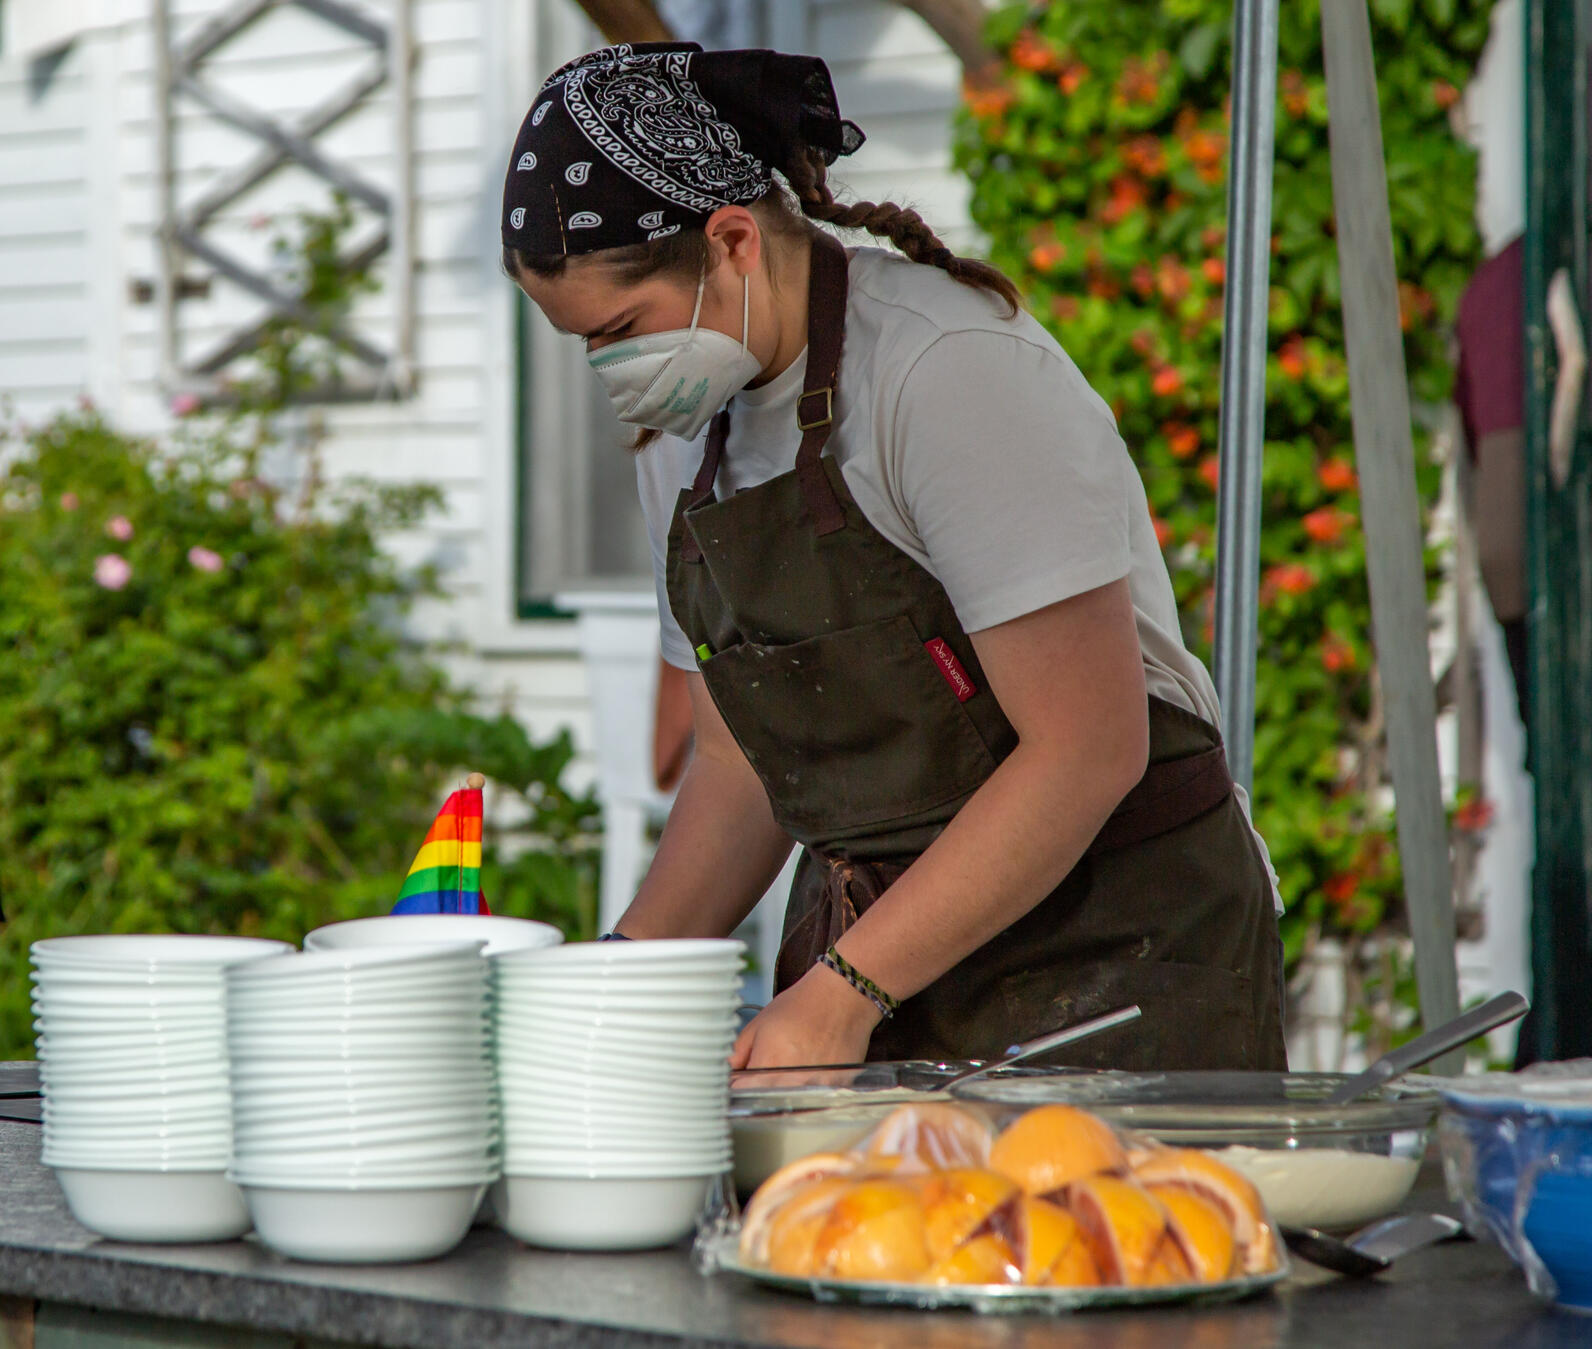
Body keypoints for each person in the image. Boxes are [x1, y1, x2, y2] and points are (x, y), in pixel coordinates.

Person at [500, 43, 1287, 1073]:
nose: (613, 374)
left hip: (1113, 960)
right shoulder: (685, 441)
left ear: (732, 241)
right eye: (584, 347)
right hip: (875, 974)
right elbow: (738, 764)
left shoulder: (944, 369)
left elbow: (1085, 747)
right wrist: (614, 989)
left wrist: (846, 989)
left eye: (620, 330)